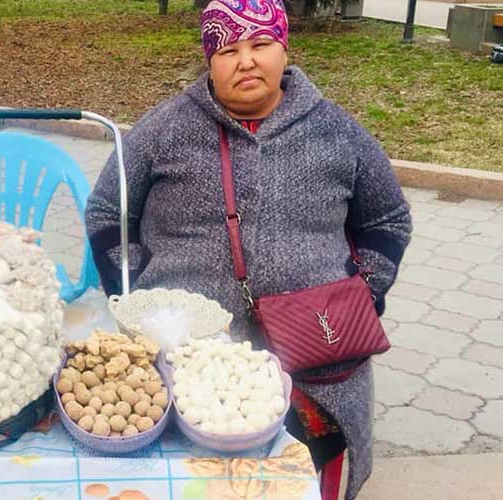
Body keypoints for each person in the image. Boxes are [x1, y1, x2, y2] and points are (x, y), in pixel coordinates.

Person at [84, 1, 412, 499]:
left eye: (261, 44)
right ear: (209, 60)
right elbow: (108, 211)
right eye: (228, 50)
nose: (246, 61)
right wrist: (140, 294)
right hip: (185, 362)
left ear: (284, 49)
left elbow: (388, 219)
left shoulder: (338, 132)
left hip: (313, 359)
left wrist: (362, 290)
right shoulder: (164, 128)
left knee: (297, 478)